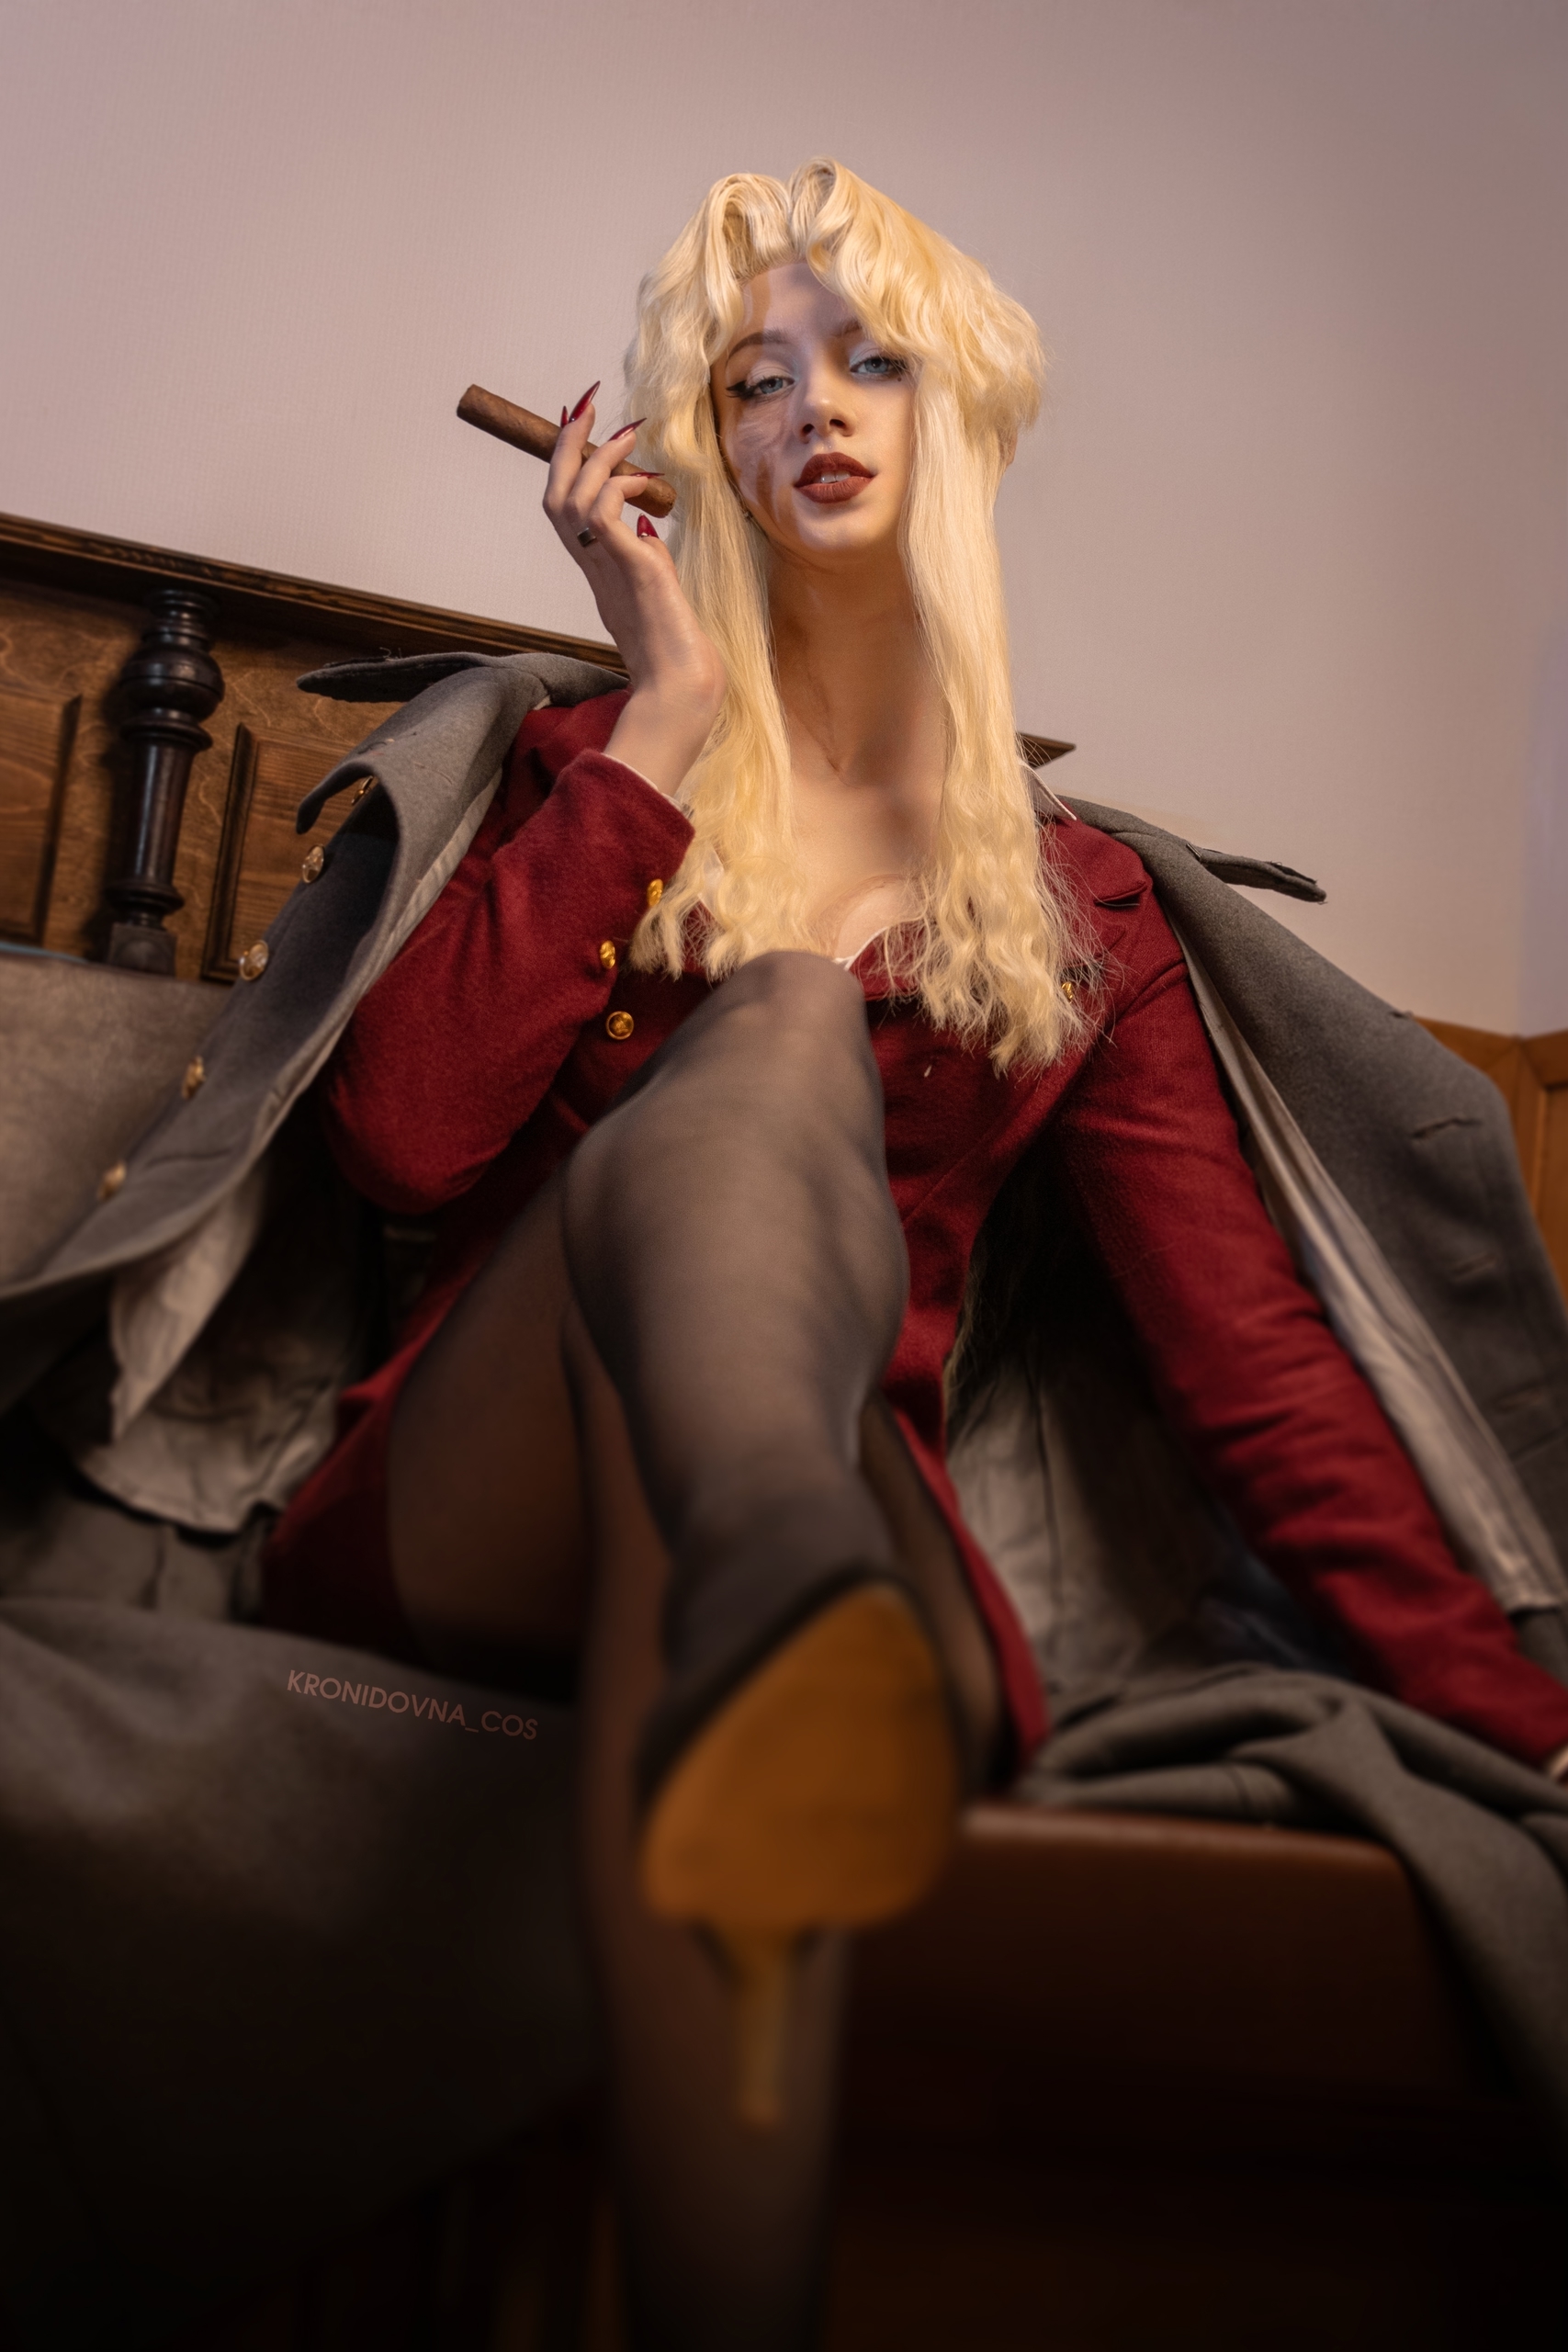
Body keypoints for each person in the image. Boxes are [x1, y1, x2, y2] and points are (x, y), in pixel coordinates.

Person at [261, 158, 1568, 2348]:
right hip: (494, 1489)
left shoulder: (1074, 907)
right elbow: (400, 1144)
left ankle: (770, 1611)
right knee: (778, 1015)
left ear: (953, 412)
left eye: (868, 358)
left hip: (849, 1557)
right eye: (751, 379)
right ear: (697, 449)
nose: (813, 407)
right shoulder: (595, 763)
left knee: (727, 1642)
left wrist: (1528, 1724)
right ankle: (780, 1587)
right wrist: (661, 715)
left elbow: (1252, 1370)